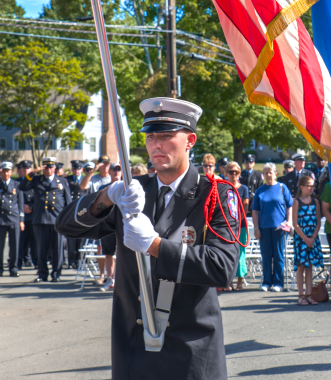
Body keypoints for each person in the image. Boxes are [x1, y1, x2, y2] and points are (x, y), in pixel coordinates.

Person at [56, 97, 240, 379]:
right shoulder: (131, 193)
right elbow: (66, 226)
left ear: (190, 140)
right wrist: (105, 196)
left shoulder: (215, 194)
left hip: (191, 348)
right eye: (151, 136)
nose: (156, 145)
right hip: (134, 346)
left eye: (166, 136)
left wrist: (155, 246)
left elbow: (222, 268)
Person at [20, 156, 72, 282]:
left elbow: (68, 202)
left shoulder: (62, 182)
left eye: (51, 166)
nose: (49, 169)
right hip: (41, 219)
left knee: (58, 249)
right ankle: (42, 274)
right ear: (43, 168)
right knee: (41, 249)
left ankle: (56, 274)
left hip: (57, 220)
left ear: (55, 167)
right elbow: (23, 187)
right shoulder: (37, 179)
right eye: (46, 167)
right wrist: (32, 173)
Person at [252, 163, 293, 292]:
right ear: (263, 175)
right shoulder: (260, 190)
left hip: (279, 227)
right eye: (266, 172)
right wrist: (256, 228)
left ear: (275, 174)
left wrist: (289, 221)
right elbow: (255, 211)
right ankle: (266, 282)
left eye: (270, 172)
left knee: (279, 255)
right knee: (266, 256)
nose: (268, 175)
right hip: (264, 227)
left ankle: (278, 282)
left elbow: (290, 206)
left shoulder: (282, 187)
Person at [0, 161, 25, 277]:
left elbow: (20, 202)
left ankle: (13, 268)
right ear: (0, 173)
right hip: (0, 219)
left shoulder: (16, 184)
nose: (6, 174)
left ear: (11, 172)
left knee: (14, 246)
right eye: (4, 171)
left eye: (8, 171)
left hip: (14, 218)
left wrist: (21, 220)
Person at [292, 175, 323, 305]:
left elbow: (318, 222)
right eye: (309, 186)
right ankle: (301, 296)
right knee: (301, 266)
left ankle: (309, 295)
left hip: (312, 237)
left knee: (309, 266)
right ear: (302, 187)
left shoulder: (315, 202)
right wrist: (305, 239)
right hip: (301, 238)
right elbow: (295, 223)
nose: (311, 188)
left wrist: (313, 238)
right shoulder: (296, 202)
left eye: (312, 186)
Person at [97, 163, 123, 292]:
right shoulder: (103, 187)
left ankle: (121, 279)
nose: (117, 172)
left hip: (124, 224)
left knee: (124, 252)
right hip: (107, 224)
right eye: (114, 169)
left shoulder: (128, 186)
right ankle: (110, 279)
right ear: (110, 171)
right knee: (108, 253)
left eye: (119, 169)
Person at [225, 161, 249, 292]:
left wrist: (238, 222)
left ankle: (240, 281)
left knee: (240, 252)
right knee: (228, 252)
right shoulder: (224, 187)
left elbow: (245, 206)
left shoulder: (243, 188)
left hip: (240, 225)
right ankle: (229, 281)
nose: (233, 174)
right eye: (231, 172)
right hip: (226, 225)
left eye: (236, 172)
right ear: (226, 173)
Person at [16, 161, 38, 270]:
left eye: (28, 168)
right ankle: (18, 262)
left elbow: (39, 197)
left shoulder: (36, 181)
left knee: (34, 241)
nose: (26, 170)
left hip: (33, 215)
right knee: (20, 241)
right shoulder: (17, 182)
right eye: (23, 168)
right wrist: (21, 208)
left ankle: (36, 262)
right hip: (20, 216)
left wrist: (31, 207)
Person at [66, 160, 84, 269]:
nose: (76, 171)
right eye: (75, 168)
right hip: (71, 213)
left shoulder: (85, 180)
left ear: (81, 169)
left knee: (81, 238)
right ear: (72, 169)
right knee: (70, 238)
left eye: (78, 168)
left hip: (82, 213)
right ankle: (71, 260)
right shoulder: (67, 180)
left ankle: (79, 260)